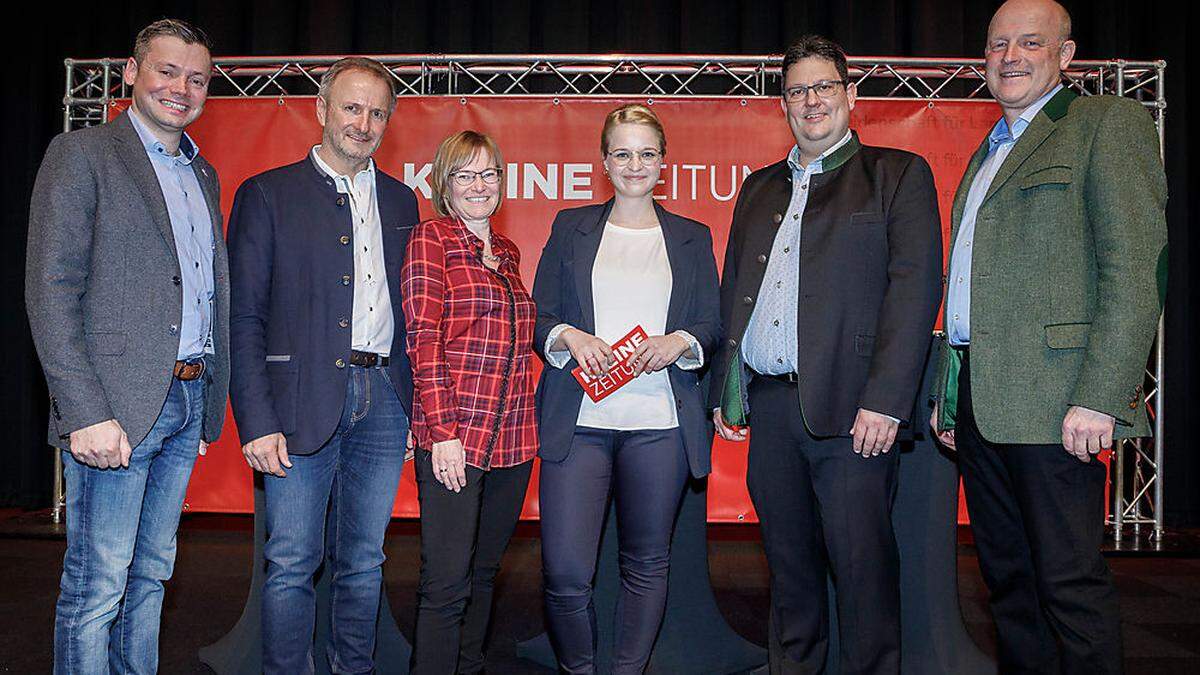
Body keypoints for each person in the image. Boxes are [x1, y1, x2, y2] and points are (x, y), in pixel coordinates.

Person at [930, 1, 1167, 672]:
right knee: (1008, 585)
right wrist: (952, 395)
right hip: (982, 400)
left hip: (1061, 402)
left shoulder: (1104, 124)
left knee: (1068, 586)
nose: (1010, 55)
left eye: (1030, 42)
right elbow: (975, 287)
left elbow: (1136, 267)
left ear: (1066, 55)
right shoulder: (989, 147)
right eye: (998, 43)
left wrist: (1101, 394)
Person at [709, 34, 943, 675]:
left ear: (851, 94)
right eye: (797, 91)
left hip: (856, 414)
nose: (811, 101)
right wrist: (729, 391)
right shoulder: (758, 189)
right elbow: (738, 293)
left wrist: (887, 401)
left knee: (864, 574)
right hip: (774, 409)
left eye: (824, 87)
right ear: (782, 103)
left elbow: (915, 292)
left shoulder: (898, 175)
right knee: (789, 573)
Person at [25, 19, 228, 674]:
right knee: (97, 586)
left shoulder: (204, 174)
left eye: (196, 78)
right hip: (113, 408)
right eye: (167, 71)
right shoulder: (81, 154)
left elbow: (202, 291)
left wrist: (206, 399)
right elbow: (52, 290)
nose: (182, 88)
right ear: (132, 74)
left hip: (185, 399)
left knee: (150, 579)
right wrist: (83, 410)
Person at [227, 57, 419, 673]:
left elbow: (414, 313)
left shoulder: (402, 201)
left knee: (365, 560)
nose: (364, 122)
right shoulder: (267, 194)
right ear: (322, 110)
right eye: (352, 108)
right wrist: (256, 419)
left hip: (384, 401)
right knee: (290, 562)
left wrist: (415, 410)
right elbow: (244, 319)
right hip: (296, 403)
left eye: (377, 112)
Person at [532, 104, 721, 674]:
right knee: (565, 572)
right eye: (622, 153)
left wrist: (680, 342)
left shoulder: (692, 236)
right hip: (580, 423)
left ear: (663, 162)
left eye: (646, 153)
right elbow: (540, 314)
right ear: (604, 162)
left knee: (646, 564)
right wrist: (569, 335)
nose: (634, 164)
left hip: (660, 425)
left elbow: (713, 325)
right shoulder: (570, 226)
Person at [402, 130, 538, 674]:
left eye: (489, 174)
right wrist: (443, 434)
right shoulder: (430, 240)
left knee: (484, 573)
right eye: (465, 175)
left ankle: (470, 665)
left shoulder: (507, 251)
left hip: (515, 440)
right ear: (443, 184)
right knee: (446, 583)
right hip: (456, 438)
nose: (479, 186)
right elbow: (423, 338)